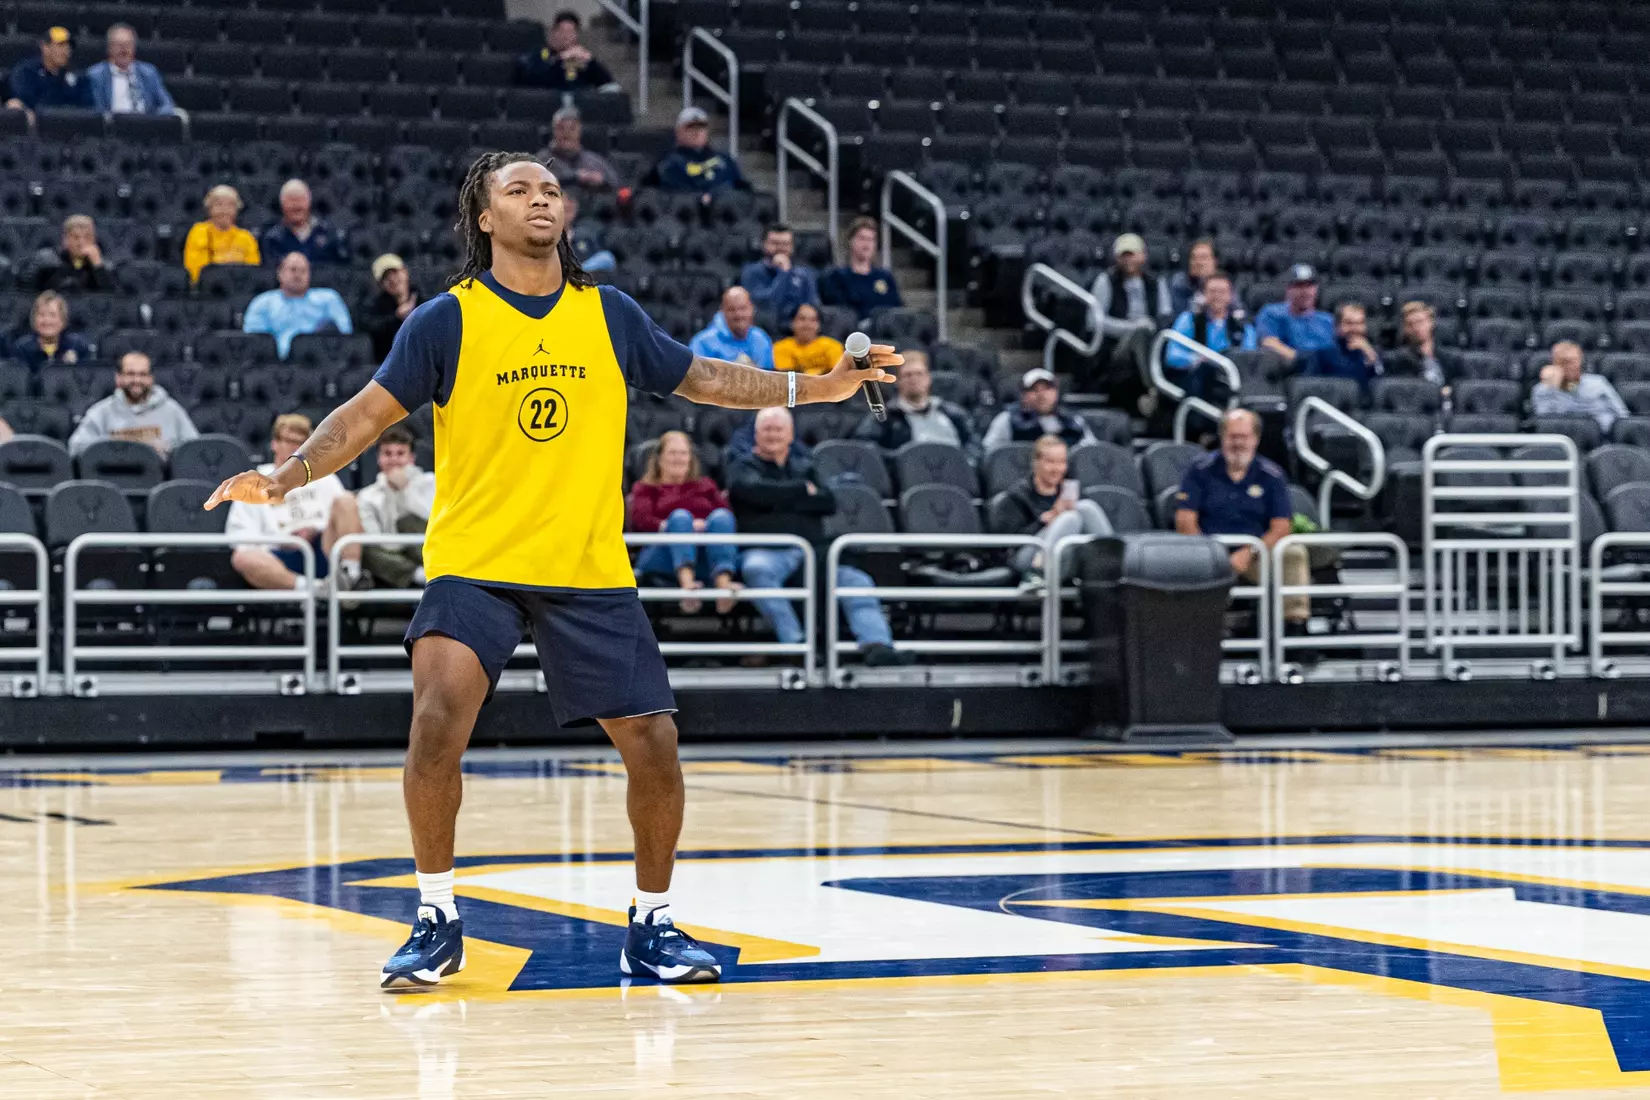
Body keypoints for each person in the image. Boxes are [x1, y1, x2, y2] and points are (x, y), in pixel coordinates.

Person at [204, 151, 900, 989]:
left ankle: (652, 925)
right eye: (519, 190)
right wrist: (288, 475)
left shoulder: (607, 313)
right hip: (476, 562)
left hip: (586, 565)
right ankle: (436, 918)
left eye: (552, 189)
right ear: (484, 218)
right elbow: (364, 415)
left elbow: (706, 377)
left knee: (655, 744)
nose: (541, 198)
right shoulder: (446, 320)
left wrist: (816, 389)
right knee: (436, 719)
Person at [729, 407, 911, 666]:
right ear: (756, 434)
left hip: (815, 551)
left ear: (790, 434)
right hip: (767, 550)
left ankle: (877, 644)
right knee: (756, 570)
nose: (773, 435)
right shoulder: (741, 466)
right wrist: (801, 491)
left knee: (857, 580)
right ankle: (796, 645)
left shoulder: (805, 466)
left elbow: (827, 502)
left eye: (778, 429)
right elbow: (750, 491)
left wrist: (775, 500)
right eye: (767, 429)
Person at [1174, 408, 1309, 628]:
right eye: (1232, 436)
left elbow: (1281, 527)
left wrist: (1249, 553)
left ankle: (1294, 628)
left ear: (1256, 439)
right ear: (1222, 437)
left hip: (1255, 555)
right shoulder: (1198, 471)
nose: (1238, 443)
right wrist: (1211, 556)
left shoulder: (1272, 476)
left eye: (1244, 437)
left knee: (1293, 554)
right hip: (1208, 553)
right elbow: (1185, 521)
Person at [223, 414, 361, 594]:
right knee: (242, 558)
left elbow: (343, 520)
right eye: (290, 441)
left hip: (322, 548)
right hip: (279, 555)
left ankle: (351, 576)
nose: (296, 448)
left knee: (347, 501)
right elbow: (240, 537)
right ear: (275, 444)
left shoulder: (325, 477)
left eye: (302, 442)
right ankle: (314, 589)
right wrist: (284, 541)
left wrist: (314, 530)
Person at [628, 430, 741, 614]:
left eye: (683, 453)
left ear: (690, 458)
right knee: (681, 517)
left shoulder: (706, 485)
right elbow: (640, 520)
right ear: (659, 458)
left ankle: (723, 585)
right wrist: (672, 525)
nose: (678, 458)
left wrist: (703, 526)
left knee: (721, 517)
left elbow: (727, 517)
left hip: (704, 554)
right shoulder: (645, 488)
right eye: (672, 453)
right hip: (662, 554)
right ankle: (687, 586)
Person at [992, 435, 1113, 578]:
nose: (1057, 468)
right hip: (1028, 556)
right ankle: (1036, 576)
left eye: (1062, 462)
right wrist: (1044, 521)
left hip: (1067, 555)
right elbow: (1007, 543)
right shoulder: (1017, 496)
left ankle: (1112, 568)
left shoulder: (1071, 492)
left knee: (1086, 507)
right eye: (1050, 462)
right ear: (1036, 463)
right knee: (1070, 518)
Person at [1089, 232, 1172, 407]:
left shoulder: (1156, 282)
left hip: (1151, 342)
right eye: (1123, 256)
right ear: (1116, 258)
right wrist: (1132, 328)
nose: (1128, 260)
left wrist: (1150, 327)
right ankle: (1153, 389)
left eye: (1132, 255)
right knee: (1140, 333)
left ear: (1143, 256)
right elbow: (1094, 321)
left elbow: (1165, 316)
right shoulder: (1106, 281)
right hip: (1116, 347)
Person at [68, 351, 198, 458]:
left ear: (151, 379)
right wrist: (115, 448)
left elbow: (194, 449)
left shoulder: (172, 410)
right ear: (118, 378)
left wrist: (167, 449)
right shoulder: (101, 412)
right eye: (130, 374)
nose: (137, 380)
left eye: (143, 374)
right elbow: (75, 447)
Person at [355, 424, 436, 591]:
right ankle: (416, 575)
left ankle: (425, 571)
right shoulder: (367, 495)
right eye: (387, 453)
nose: (394, 460)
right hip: (391, 556)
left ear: (411, 458)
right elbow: (375, 539)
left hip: (425, 548)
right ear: (379, 458)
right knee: (364, 547)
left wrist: (406, 489)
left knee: (407, 521)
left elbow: (431, 520)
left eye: (400, 454)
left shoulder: (430, 482)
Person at [853, 349, 974, 453]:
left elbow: (973, 447)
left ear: (928, 378)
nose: (914, 379)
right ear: (898, 381)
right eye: (908, 375)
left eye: (919, 374)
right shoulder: (884, 418)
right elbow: (866, 448)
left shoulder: (954, 415)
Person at [242, 252, 354, 359]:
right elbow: (254, 342)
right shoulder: (262, 303)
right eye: (293, 269)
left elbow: (345, 334)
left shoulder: (329, 299)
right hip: (277, 366)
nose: (298, 275)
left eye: (303, 270)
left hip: (321, 363)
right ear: (280, 273)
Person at [1166, 270, 1254, 401]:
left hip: (1232, 380)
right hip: (1197, 381)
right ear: (1203, 294)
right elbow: (1172, 355)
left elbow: (1249, 357)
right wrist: (1197, 359)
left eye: (1222, 292)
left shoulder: (1243, 326)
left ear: (1230, 295)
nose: (1217, 296)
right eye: (1212, 291)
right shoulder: (1189, 320)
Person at [981, 369, 1097, 454]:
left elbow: (1090, 454)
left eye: (1047, 388)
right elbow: (990, 454)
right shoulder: (1007, 419)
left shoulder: (1074, 421)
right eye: (1034, 389)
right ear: (1024, 395)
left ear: (1056, 392)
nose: (1042, 395)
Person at [1532, 340, 1628, 434]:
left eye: (1575, 361)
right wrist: (1553, 389)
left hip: (1600, 436)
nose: (1572, 366)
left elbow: (1622, 416)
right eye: (1565, 362)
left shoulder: (1598, 383)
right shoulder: (1543, 390)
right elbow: (1545, 423)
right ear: (1555, 364)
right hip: (1561, 438)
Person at [819, 216, 902, 324]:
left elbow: (897, 310)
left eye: (871, 239)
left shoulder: (885, 277)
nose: (867, 244)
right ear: (850, 241)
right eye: (862, 238)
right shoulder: (837, 277)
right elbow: (840, 315)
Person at [514, 9, 616, 92]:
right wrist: (560, 59)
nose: (565, 36)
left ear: (576, 35)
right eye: (561, 31)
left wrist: (591, 61)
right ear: (553, 32)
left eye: (570, 32)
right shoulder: (541, 55)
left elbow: (609, 85)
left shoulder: (581, 59)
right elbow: (534, 77)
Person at [1255, 263, 1336, 367]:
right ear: (1288, 289)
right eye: (1299, 286)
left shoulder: (1328, 320)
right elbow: (1269, 343)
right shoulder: (1272, 313)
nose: (1305, 291)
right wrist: (1303, 360)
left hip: (1325, 371)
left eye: (1309, 286)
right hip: (1289, 370)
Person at [87, 22, 175, 115]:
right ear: (109, 48)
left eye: (128, 44)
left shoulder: (148, 72)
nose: (124, 50)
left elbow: (167, 104)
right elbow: (94, 111)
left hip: (145, 121)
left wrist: (153, 119)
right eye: (119, 45)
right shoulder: (95, 75)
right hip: (113, 122)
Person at [740, 223, 820, 326]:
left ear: (792, 247)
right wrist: (784, 273)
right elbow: (767, 306)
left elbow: (812, 308)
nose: (780, 248)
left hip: (796, 331)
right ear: (764, 245)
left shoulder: (804, 274)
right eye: (775, 243)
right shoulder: (751, 272)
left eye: (785, 244)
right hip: (764, 328)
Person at [259, 179, 350, 268]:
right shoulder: (273, 239)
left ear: (309, 201)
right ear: (282, 204)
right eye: (291, 200)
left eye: (301, 200)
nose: (296, 206)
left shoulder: (329, 233)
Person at [655, 106, 745, 195]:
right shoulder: (668, 164)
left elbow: (744, 191)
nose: (697, 132)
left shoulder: (725, 160)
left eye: (701, 126)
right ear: (678, 132)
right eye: (690, 127)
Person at [1300, 302, 1384, 394]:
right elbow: (1308, 386)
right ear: (1337, 327)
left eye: (1360, 323)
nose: (1355, 328)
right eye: (1349, 323)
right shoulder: (1323, 352)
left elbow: (1384, 387)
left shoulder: (1373, 352)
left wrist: (1371, 356)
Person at [183, 184, 260, 284]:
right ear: (209, 208)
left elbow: (253, 271)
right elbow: (194, 269)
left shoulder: (246, 237)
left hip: (240, 287)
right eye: (219, 205)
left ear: (237, 210)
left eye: (230, 205)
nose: (224, 210)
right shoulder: (199, 231)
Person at [6, 26, 92, 112]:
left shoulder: (77, 76)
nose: (66, 51)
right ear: (45, 47)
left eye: (68, 46)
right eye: (60, 45)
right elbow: (21, 101)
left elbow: (86, 108)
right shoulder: (26, 72)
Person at [689, 286, 774, 369]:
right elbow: (693, 375)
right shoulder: (702, 342)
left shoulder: (762, 339)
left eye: (743, 308)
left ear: (752, 309)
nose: (738, 315)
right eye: (732, 309)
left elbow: (770, 375)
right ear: (722, 311)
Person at [541, 105, 619, 191]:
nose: (566, 133)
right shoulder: (541, 160)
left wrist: (601, 181)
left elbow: (616, 184)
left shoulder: (594, 161)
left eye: (572, 129)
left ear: (579, 131)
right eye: (561, 128)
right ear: (553, 131)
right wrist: (576, 176)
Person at [1387, 301, 1461, 389]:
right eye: (1410, 324)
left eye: (1420, 322)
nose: (1416, 328)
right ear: (1405, 329)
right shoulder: (1401, 359)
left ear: (1431, 322)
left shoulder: (1452, 358)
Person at [32, 214, 114, 293]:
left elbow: (111, 296)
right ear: (65, 240)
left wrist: (98, 266)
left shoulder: (105, 266)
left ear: (94, 240)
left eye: (87, 237)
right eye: (76, 237)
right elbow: (27, 293)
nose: (81, 243)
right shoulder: (46, 261)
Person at [363, 253, 421, 363]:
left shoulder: (424, 301)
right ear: (380, 284)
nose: (392, 279)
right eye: (386, 277)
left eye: (395, 272)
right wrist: (396, 317)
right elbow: (373, 330)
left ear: (405, 272)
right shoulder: (376, 308)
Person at [11, 290, 90, 370]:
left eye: (52, 315)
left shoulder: (77, 346)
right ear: (34, 320)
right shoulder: (22, 348)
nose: (47, 321)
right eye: (41, 315)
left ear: (63, 320)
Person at [772, 302, 842, 376]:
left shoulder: (832, 346)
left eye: (813, 320)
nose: (807, 325)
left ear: (819, 325)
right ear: (792, 323)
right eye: (802, 319)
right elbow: (785, 377)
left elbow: (838, 375)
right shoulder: (780, 347)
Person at [561, 192, 614, 273]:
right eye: (565, 209)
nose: (568, 203)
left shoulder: (584, 237)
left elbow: (601, 259)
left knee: (606, 258)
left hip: (582, 276)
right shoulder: (545, 236)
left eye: (569, 209)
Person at [1168, 238, 1218, 317]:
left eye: (1204, 258)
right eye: (1194, 258)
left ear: (1214, 261)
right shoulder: (1179, 283)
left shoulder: (1224, 283)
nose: (1199, 263)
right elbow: (1179, 314)